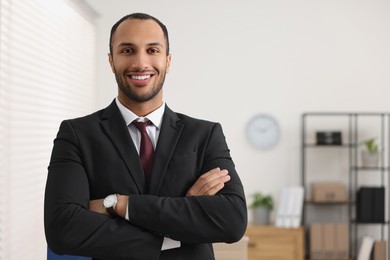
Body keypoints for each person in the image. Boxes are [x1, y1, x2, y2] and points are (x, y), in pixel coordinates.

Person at [44, 13, 247, 260]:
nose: (141, 63)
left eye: (152, 50)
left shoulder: (205, 134)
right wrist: (179, 228)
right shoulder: (77, 134)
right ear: (111, 60)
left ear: (168, 61)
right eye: (127, 50)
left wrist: (120, 204)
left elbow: (232, 220)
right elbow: (62, 229)